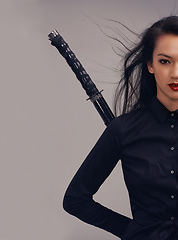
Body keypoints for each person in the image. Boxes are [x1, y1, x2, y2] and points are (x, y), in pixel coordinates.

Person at [63, 16, 178, 240]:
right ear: (150, 65)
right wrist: (132, 231)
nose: (176, 73)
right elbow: (75, 199)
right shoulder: (123, 130)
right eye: (165, 61)